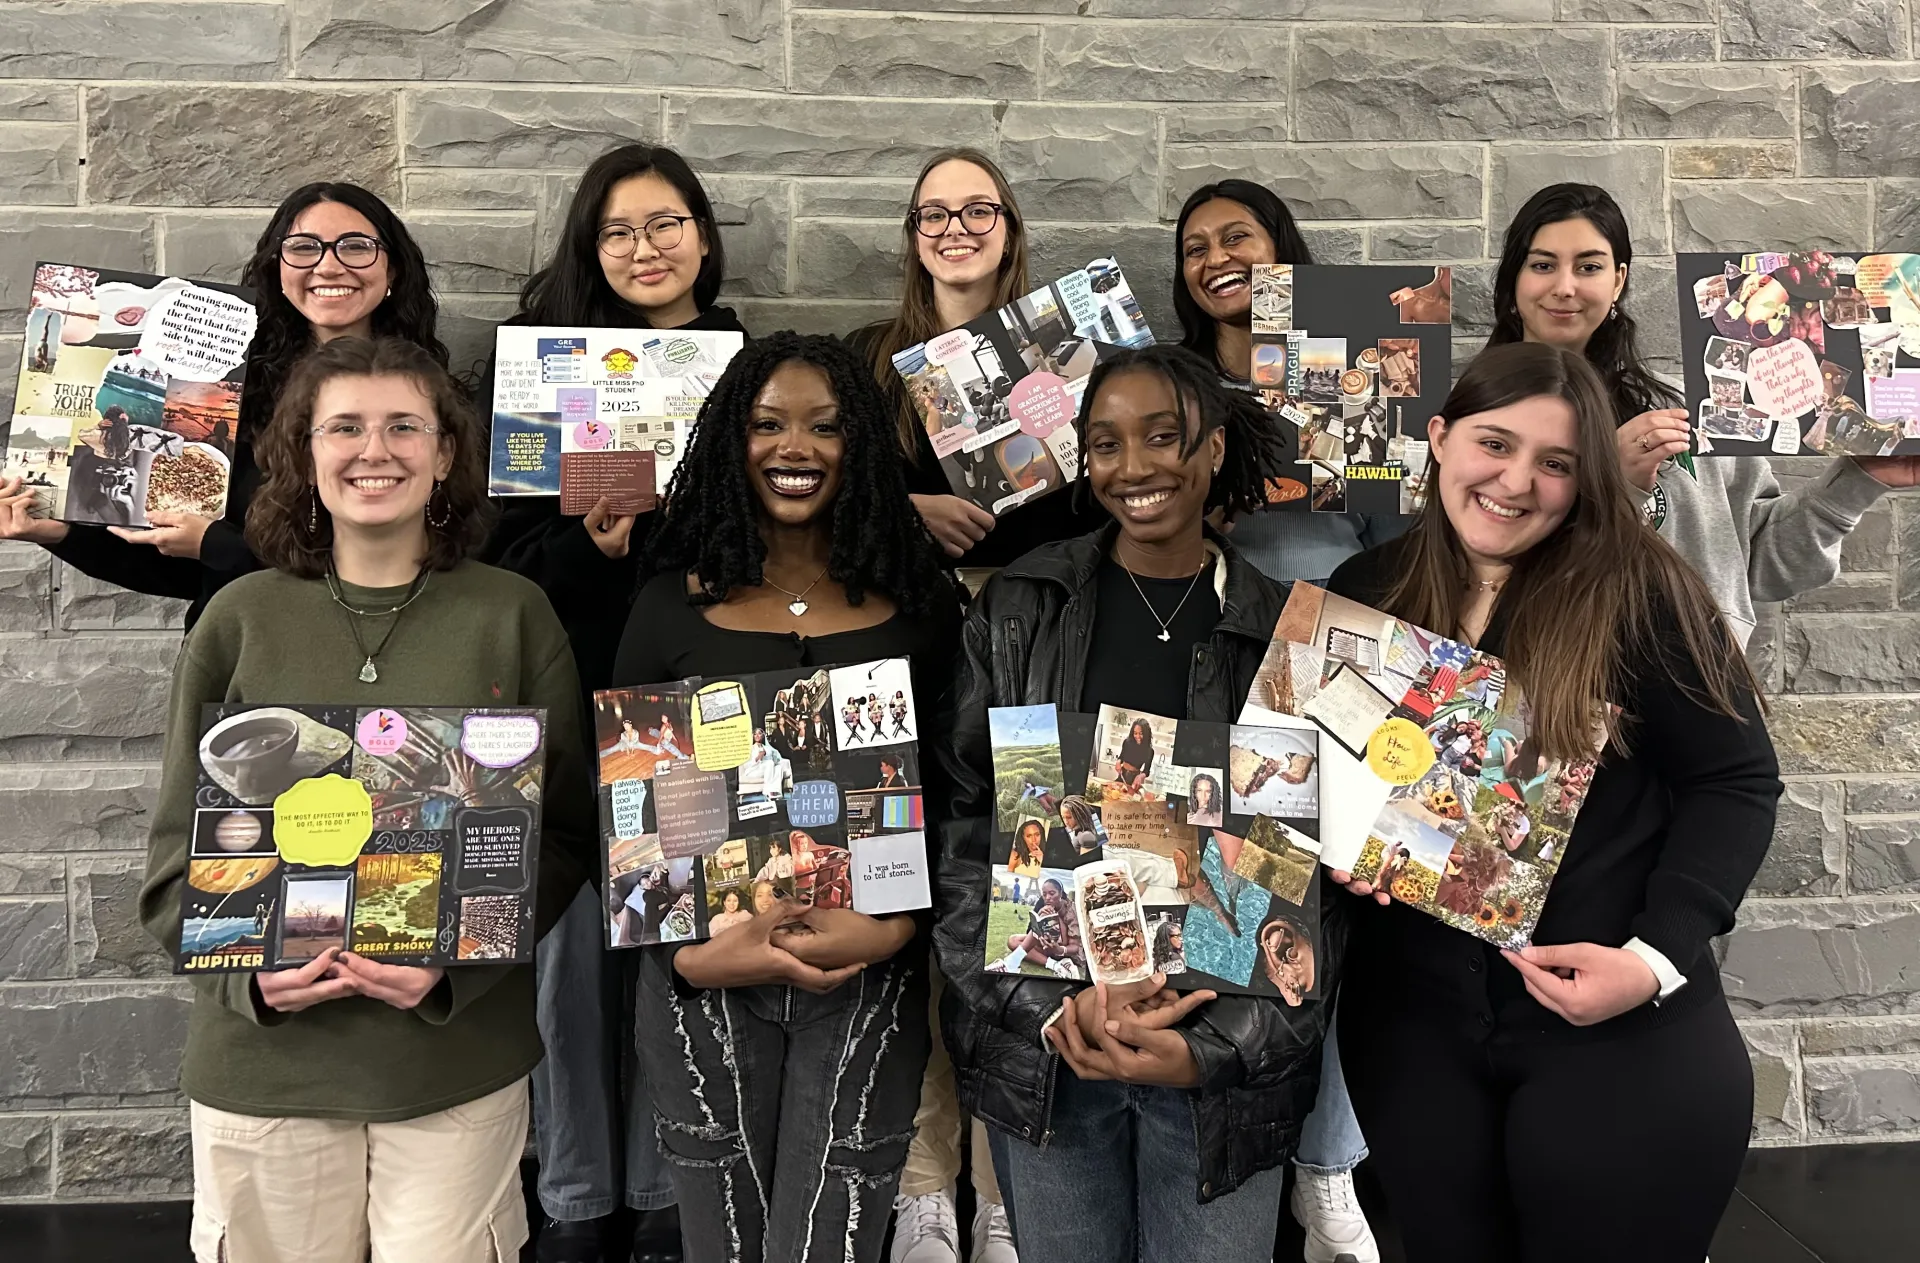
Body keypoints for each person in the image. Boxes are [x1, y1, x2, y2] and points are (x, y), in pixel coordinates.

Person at [135, 336, 595, 1263]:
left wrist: (456, 967)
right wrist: (244, 975)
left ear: (447, 453)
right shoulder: (240, 617)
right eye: (344, 426)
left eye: (403, 427)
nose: (373, 451)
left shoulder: (512, 615)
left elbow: (566, 842)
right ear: (305, 451)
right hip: (266, 1072)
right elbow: (171, 878)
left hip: (453, 1064)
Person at [1326, 342, 1781, 1261]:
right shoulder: (1362, 594)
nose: (1516, 481)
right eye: (1495, 444)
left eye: (1557, 463)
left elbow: (1734, 780)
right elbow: (1331, 788)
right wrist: (1340, 848)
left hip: (1618, 1031)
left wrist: (1655, 959)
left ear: (1587, 480)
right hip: (1414, 1035)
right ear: (1441, 438)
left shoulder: (1643, 589)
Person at [932, 343, 1340, 1260]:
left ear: (1215, 450)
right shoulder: (1020, 605)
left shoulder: (1291, 631)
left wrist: (1220, 1043)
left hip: (1217, 1065)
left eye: (1163, 437)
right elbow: (963, 823)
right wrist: (1041, 1001)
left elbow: (1305, 881)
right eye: (1105, 444)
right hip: (1051, 1051)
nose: (1134, 468)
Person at [611, 332, 963, 1263]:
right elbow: (628, 811)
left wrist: (896, 929)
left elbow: (957, 795)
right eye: (767, 425)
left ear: (863, 447)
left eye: (825, 426)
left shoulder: (921, 605)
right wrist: (691, 959)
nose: (793, 448)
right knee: (721, 1246)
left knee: (829, 1248)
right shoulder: (665, 607)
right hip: (702, 985)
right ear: (733, 440)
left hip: (870, 976)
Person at [482, 144, 745, 1263]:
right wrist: (592, 550)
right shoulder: (546, 373)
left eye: (666, 223)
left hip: (704, 699)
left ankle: (663, 1192)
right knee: (571, 970)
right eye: (620, 231)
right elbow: (506, 556)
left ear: (702, 235)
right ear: (593, 249)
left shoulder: (747, 367)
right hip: (577, 700)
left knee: (681, 950)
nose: (645, 248)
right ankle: (581, 1199)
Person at [1487, 183, 1917, 650]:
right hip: (1540, 691)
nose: (1565, 286)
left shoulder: (1688, 416)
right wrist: (1613, 485)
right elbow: (1468, 572)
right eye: (1543, 265)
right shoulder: (1475, 422)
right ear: (1514, 281)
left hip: (1693, 695)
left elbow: (1759, 562)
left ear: (1617, 281)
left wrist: (1859, 479)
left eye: (1589, 266)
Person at [0, 183, 449, 629]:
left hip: (384, 646)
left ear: (392, 270)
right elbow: (189, 573)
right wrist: (59, 533)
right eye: (303, 247)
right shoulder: (228, 390)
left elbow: (436, 558)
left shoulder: (430, 404)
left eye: (355, 246)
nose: (328, 265)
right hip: (241, 650)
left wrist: (222, 547)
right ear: (277, 268)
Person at [849, 147, 1107, 573]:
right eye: (934, 215)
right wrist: (901, 511)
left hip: (1052, 606)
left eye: (978, 211)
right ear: (916, 238)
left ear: (1010, 235)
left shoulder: (1070, 335)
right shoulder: (866, 355)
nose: (955, 229)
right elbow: (824, 486)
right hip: (914, 606)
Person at [1173, 178, 1402, 588]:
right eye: (1196, 250)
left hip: (1339, 601)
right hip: (1211, 600)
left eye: (1236, 237)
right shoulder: (1170, 383)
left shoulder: (1354, 367)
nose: (1217, 258)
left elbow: (1394, 530)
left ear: (1279, 247)